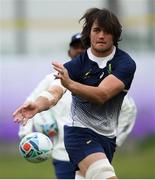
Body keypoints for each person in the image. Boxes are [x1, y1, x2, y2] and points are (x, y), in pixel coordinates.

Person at [13, 8, 136, 179]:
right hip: (79, 134)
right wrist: (37, 106)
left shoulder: (125, 63)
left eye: (107, 31)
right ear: (89, 33)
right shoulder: (76, 65)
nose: (101, 35)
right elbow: (54, 92)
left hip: (107, 138)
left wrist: (70, 83)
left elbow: (102, 95)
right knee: (105, 175)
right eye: (96, 30)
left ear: (115, 35)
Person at [18, 33, 85, 179]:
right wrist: (27, 137)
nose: (80, 50)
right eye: (76, 47)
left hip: (91, 153)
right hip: (62, 154)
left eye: (84, 47)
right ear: (69, 52)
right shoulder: (52, 79)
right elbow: (30, 103)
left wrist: (115, 141)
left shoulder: (99, 78)